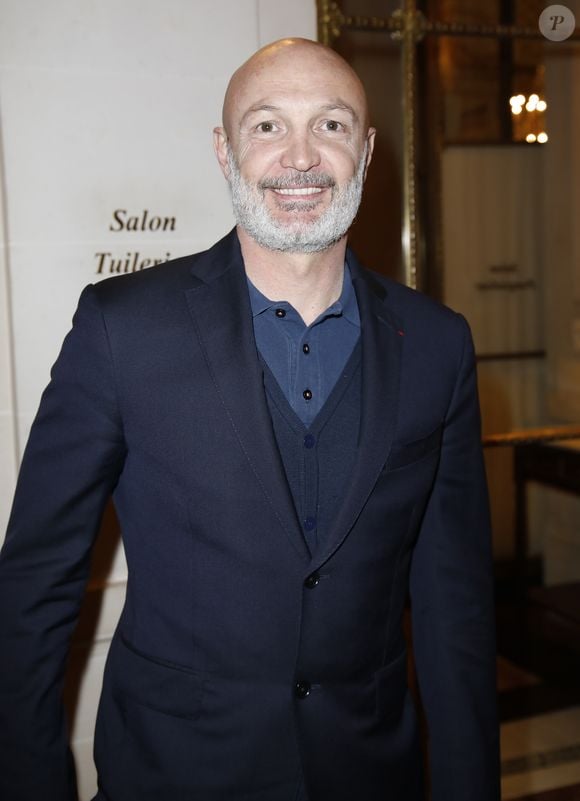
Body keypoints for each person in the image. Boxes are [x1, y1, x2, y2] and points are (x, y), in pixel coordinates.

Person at [0, 38, 500, 801]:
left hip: (370, 775)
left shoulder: (438, 343)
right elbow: (33, 588)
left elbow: (454, 610)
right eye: (266, 126)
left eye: (331, 126)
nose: (299, 157)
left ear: (364, 151)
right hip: (173, 776)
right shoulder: (121, 328)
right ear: (224, 152)